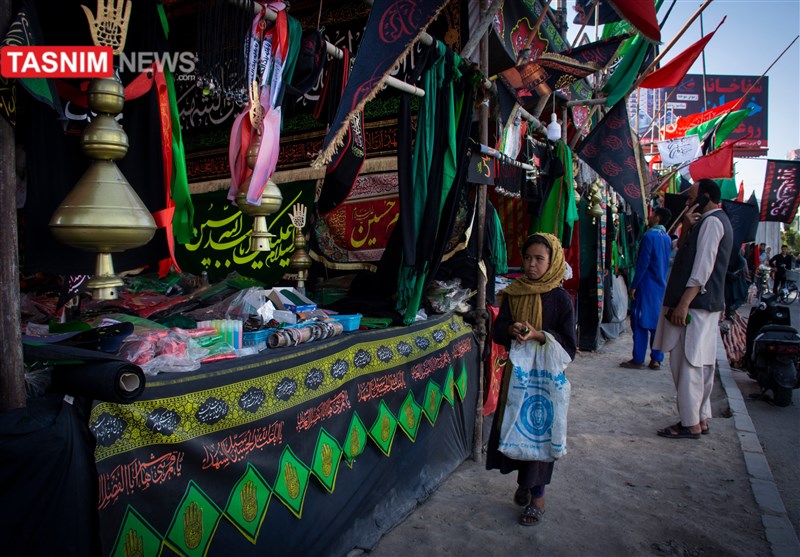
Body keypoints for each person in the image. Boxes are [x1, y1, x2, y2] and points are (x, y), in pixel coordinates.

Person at [487, 233, 576, 526]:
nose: (531, 264)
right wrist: (510, 328)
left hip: (545, 382)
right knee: (515, 427)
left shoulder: (561, 299)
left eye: (539, 259)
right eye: (527, 258)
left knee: (539, 433)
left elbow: (570, 347)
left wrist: (539, 335)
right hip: (517, 377)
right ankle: (524, 484)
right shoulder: (514, 293)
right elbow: (498, 332)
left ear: (552, 262)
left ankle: (537, 498)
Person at [653, 179, 733, 439]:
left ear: (705, 197)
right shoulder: (708, 222)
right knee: (699, 363)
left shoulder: (711, 223)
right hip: (703, 305)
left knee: (687, 364)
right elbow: (682, 251)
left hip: (695, 306)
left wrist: (684, 302)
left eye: (693, 196)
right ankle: (700, 418)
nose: (688, 199)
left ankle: (690, 423)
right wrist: (686, 227)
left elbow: (703, 267)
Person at [621, 207, 672, 370]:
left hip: (646, 285)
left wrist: (634, 285)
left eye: (652, 214)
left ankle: (638, 358)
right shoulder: (667, 238)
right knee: (656, 323)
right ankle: (656, 358)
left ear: (657, 217)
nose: (649, 217)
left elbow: (643, 264)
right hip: (660, 286)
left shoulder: (649, 236)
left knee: (640, 322)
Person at [724, 245, 750, 318]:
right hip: (729, 278)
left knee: (733, 296)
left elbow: (742, 264)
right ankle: (728, 312)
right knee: (728, 296)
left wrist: (735, 272)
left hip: (734, 278)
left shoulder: (737, 255)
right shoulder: (728, 253)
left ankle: (730, 312)